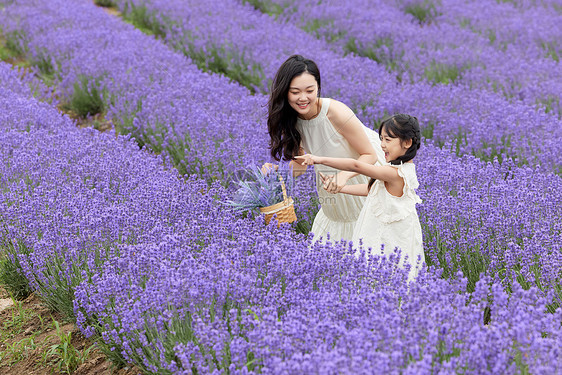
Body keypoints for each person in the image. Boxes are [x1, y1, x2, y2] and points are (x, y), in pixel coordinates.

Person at [262, 54, 385, 243]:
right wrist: (276, 172)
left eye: (309, 90)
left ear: (318, 88)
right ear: (285, 92)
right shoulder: (292, 120)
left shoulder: (336, 113)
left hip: (363, 177)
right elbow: (300, 167)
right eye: (295, 92)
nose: (303, 98)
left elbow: (370, 155)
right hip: (332, 186)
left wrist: (343, 177)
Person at [295, 114, 425, 281]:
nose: (382, 145)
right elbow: (372, 189)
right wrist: (342, 188)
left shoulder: (394, 173)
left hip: (388, 237)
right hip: (389, 233)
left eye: (388, 140)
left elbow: (356, 165)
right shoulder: (401, 169)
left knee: (385, 274)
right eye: (381, 139)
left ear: (407, 142)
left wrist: (317, 159)